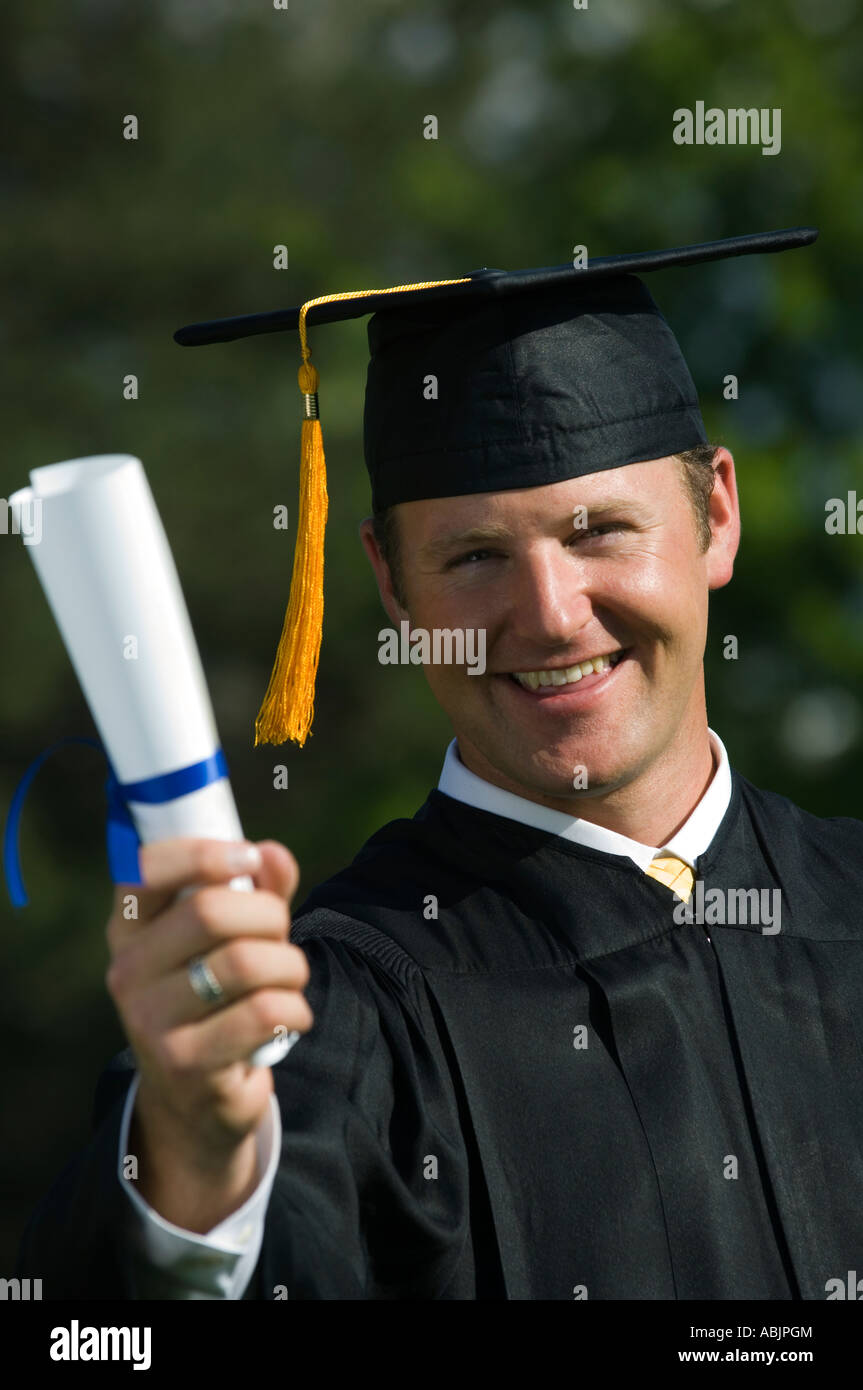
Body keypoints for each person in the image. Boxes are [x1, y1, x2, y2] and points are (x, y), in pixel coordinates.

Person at [17, 228, 863, 1301]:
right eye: (473, 557)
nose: (551, 617)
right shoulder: (330, 1012)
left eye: (599, 530)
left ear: (716, 518)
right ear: (389, 581)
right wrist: (193, 1161)